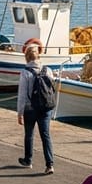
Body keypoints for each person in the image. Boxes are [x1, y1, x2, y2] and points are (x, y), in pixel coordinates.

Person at [16, 45, 55, 174]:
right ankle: (49, 164)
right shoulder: (47, 70)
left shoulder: (25, 72)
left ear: (27, 57)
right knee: (46, 135)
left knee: (29, 135)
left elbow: (22, 95)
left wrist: (20, 113)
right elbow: (51, 89)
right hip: (45, 108)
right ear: (38, 56)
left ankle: (28, 160)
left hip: (30, 108)